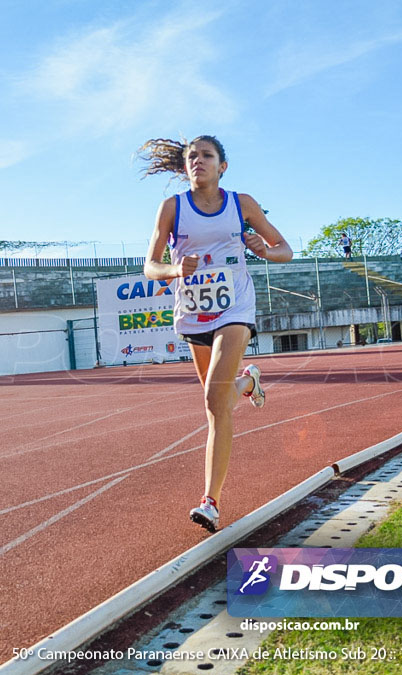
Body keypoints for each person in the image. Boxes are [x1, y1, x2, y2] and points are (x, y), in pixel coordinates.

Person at [139, 135, 293, 532]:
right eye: (192, 157)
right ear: (184, 166)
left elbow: (285, 250)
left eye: (207, 156)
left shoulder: (241, 204)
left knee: (211, 400)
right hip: (193, 314)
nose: (198, 162)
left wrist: (263, 250)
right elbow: (150, 266)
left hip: (235, 308)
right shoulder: (172, 209)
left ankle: (210, 502)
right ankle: (248, 382)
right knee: (219, 404)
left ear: (222, 165)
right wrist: (174, 270)